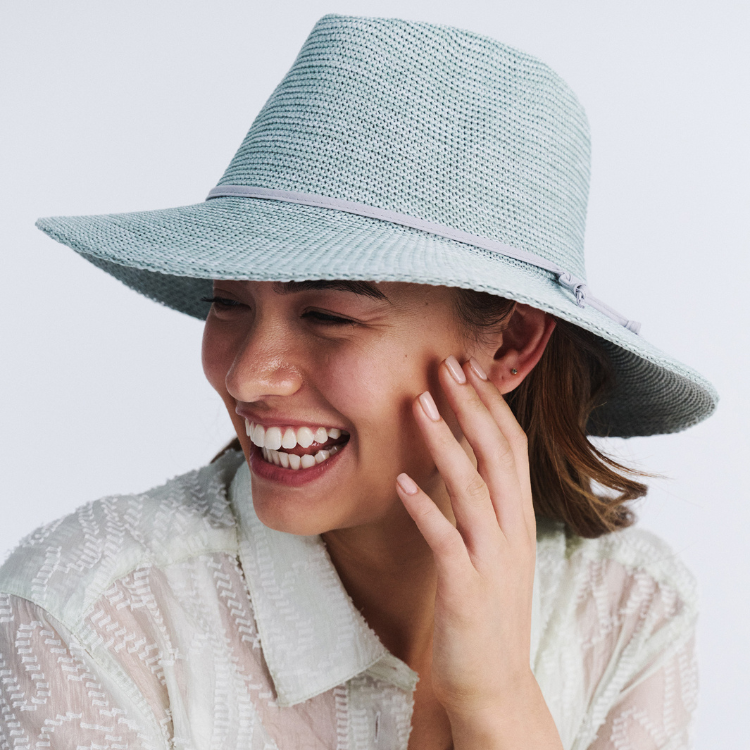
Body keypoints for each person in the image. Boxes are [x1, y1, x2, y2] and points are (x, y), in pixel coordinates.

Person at [0, 13, 717, 750]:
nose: (247, 375)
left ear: (510, 344)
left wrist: (497, 701)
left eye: (327, 315)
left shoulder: (629, 613)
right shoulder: (93, 614)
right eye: (227, 303)